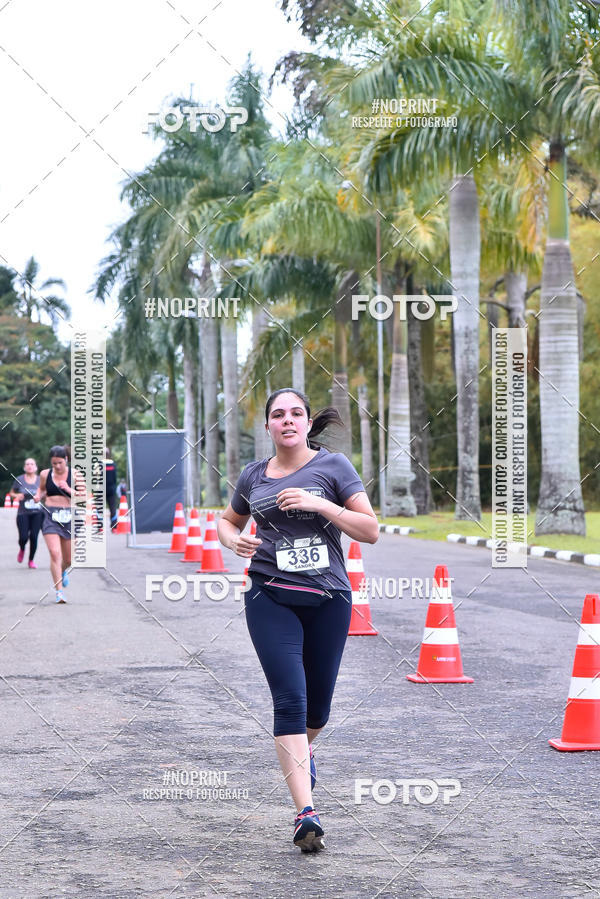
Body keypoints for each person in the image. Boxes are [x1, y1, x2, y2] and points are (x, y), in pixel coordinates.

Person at [217, 388, 379, 852]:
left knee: (317, 711)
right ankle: (305, 813)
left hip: (329, 596)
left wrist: (320, 505)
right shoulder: (253, 476)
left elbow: (370, 531)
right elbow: (227, 521)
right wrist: (233, 541)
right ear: (267, 426)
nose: (287, 421)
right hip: (270, 594)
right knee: (290, 696)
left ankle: (302, 754)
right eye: (277, 415)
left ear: (308, 423)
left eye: (296, 414)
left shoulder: (334, 467)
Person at [35, 445, 75, 604]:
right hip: (50, 515)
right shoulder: (45, 474)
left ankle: (63, 571)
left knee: (69, 559)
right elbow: (42, 490)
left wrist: (68, 489)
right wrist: (39, 496)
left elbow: (83, 495)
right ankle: (59, 592)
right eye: (54, 464)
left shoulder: (75, 474)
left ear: (66, 459)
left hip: (69, 516)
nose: (57, 466)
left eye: (60, 463)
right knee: (54, 553)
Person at [10, 457, 43, 568]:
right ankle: (22, 548)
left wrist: (40, 496)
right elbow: (11, 493)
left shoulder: (41, 480)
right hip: (23, 513)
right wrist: (17, 495)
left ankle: (31, 560)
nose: (29, 466)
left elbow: (46, 492)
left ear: (36, 467)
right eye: (27, 464)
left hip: (37, 513)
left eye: (32, 464)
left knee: (34, 537)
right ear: (24, 467)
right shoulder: (19, 479)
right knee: (23, 537)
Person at [105, 447, 118, 529]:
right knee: (113, 508)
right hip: (111, 489)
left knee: (99, 508)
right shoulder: (113, 464)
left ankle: (100, 527)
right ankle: (114, 527)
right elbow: (115, 477)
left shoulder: (97, 464)